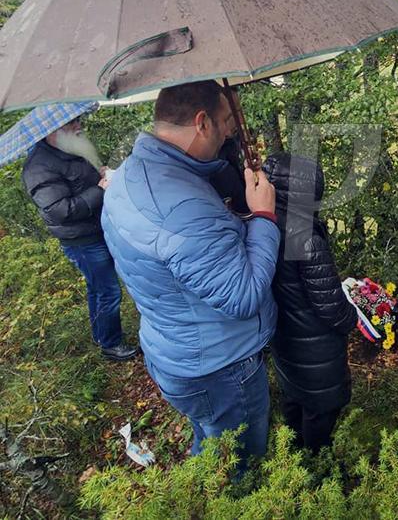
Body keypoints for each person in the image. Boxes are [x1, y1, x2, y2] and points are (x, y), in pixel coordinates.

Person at [101, 80, 280, 464]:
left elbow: (172, 258)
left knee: (211, 445)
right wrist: (263, 215)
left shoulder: (129, 176)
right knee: (240, 466)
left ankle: (201, 488)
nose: (232, 129)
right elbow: (243, 296)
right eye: (227, 119)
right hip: (220, 367)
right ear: (202, 123)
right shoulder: (182, 207)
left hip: (175, 351)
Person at [262, 152, 357, 452]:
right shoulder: (305, 238)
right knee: (320, 412)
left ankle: (291, 457)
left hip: (285, 339)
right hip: (316, 350)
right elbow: (331, 307)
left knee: (294, 399)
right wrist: (353, 317)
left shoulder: (263, 224)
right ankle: (318, 467)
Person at [22, 115, 138, 361]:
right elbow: (61, 210)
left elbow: (80, 180)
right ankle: (111, 345)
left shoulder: (65, 149)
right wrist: (100, 189)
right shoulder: (38, 167)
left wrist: (102, 174)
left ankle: (101, 336)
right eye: (71, 123)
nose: (78, 126)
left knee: (97, 288)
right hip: (82, 240)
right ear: (51, 130)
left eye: (78, 120)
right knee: (108, 291)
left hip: (94, 229)